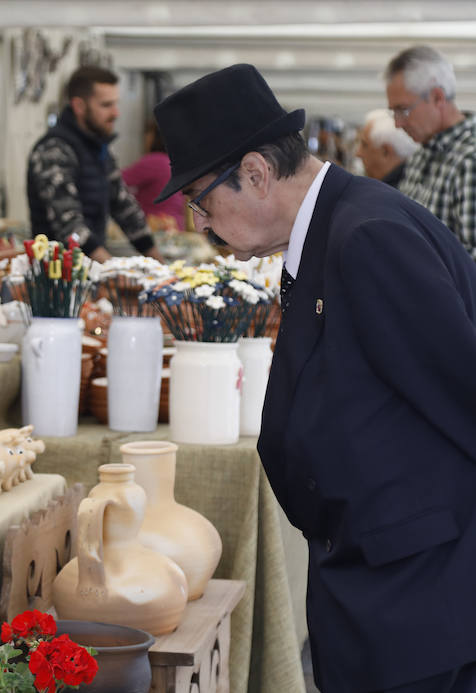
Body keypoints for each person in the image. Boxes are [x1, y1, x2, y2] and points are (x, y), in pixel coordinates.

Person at [153, 63, 476, 692]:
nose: (200, 223)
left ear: (255, 172)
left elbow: (463, 391)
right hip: (381, 579)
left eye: (201, 200)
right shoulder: (333, 228)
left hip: (415, 597)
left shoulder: (368, 237)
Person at [26, 66, 164, 263]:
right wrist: (111, 270)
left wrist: (161, 267)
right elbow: (70, 227)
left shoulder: (99, 149)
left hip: (91, 270)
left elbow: (124, 207)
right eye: (106, 105)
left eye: (116, 104)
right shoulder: (53, 150)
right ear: (79, 106)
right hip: (58, 278)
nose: (116, 113)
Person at [385, 45, 476, 258]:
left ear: (437, 97)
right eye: (394, 112)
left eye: (403, 110)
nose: (398, 123)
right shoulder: (420, 157)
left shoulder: (469, 162)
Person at [121, 120, 186, 230]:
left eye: (148, 134)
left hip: (159, 225)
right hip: (176, 224)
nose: (145, 139)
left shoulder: (155, 161)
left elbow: (115, 179)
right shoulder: (173, 162)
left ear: (156, 137)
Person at [355, 108, 417, 187]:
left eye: (364, 145)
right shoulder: (411, 186)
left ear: (385, 152)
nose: (358, 153)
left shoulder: (389, 195)